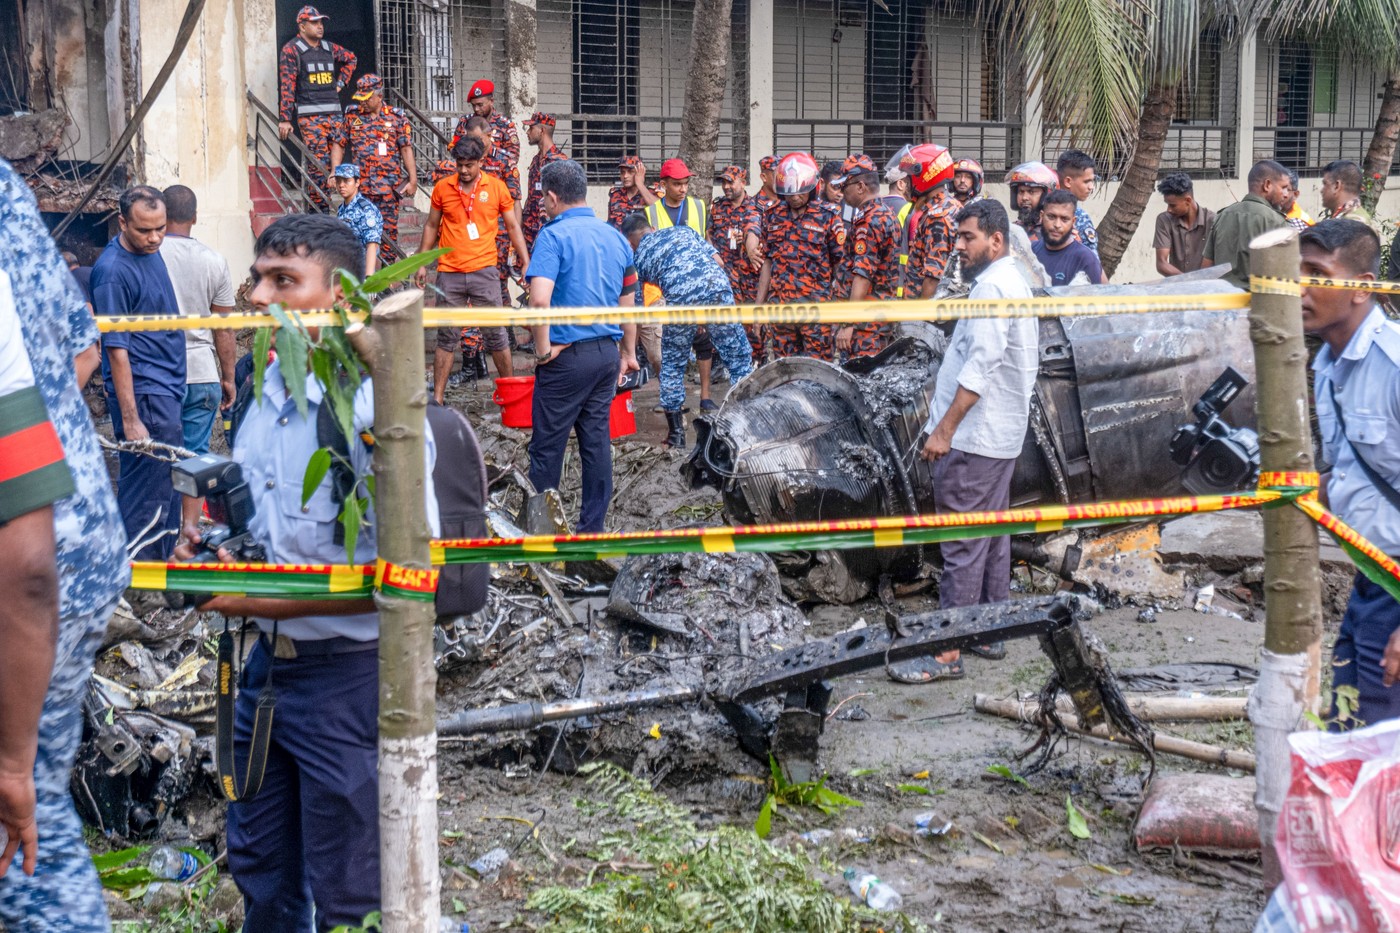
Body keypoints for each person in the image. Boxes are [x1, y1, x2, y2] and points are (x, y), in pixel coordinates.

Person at [174, 214, 439, 929]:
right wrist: (216, 548)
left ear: (343, 295)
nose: (257, 296)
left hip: (345, 681)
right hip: (261, 674)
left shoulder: (378, 411)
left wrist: (253, 600)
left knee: (352, 889)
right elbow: (263, 530)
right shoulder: (264, 388)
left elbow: (410, 576)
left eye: (283, 280)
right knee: (265, 874)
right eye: (257, 276)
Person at [0, 156, 129, 933]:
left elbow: (27, 567)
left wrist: (11, 758)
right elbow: (81, 351)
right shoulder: (8, 194)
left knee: (20, 824)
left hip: (32, 555)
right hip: (74, 529)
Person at [908, 199, 1037, 681]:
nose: (958, 246)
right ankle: (988, 630)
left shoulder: (996, 288)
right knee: (991, 535)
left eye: (967, 237)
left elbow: (980, 369)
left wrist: (943, 432)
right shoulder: (1005, 283)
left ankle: (946, 653)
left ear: (995, 240)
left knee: (962, 540)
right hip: (998, 436)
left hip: (975, 438)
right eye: (958, 237)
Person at [1302, 219, 1400, 723]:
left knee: (1380, 747)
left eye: (1316, 274)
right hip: (1368, 581)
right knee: (1350, 726)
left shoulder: (1395, 366)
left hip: (1397, 593)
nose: (1299, 286)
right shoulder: (1326, 365)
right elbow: (1349, 473)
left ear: (1361, 288)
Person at [525, 159, 640, 532]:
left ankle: (541, 537)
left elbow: (539, 301)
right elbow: (629, 303)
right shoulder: (616, 237)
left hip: (565, 358)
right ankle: (592, 532)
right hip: (606, 355)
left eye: (544, 198)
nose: (543, 205)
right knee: (596, 444)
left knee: (547, 449)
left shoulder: (551, 236)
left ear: (553, 198)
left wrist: (542, 350)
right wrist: (628, 354)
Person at [93, 186, 185, 561]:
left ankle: (159, 568)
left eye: (161, 228)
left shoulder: (153, 252)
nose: (155, 238)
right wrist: (131, 420)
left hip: (166, 387)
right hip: (145, 393)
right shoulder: (112, 272)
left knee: (166, 484)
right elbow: (116, 351)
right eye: (144, 230)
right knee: (146, 490)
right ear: (122, 222)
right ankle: (135, 581)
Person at [621, 215, 754, 446]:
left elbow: (637, 306)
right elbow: (719, 262)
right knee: (738, 357)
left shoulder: (637, 258)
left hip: (681, 299)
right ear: (652, 228)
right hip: (718, 287)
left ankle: (676, 436)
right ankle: (751, 424)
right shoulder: (684, 230)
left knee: (672, 363)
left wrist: (629, 348)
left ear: (630, 242)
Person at [420, 134, 528, 404]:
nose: (464, 170)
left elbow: (513, 226)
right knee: (446, 336)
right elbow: (432, 226)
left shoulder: (496, 188)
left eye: (469, 164)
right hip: (449, 273)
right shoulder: (442, 188)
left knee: (496, 335)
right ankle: (439, 398)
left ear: (481, 161)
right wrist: (422, 262)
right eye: (460, 164)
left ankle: (510, 394)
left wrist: (525, 259)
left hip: (485, 272)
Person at [159, 185, 236, 458]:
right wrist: (229, 378)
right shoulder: (215, 261)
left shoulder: (149, 257)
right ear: (195, 217)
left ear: (162, 213)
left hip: (160, 375)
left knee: (158, 460)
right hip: (203, 374)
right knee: (195, 463)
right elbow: (224, 328)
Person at [754, 152, 845, 361]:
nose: (795, 197)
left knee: (818, 372)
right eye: (789, 193)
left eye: (800, 192)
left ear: (812, 187)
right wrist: (759, 308)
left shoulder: (828, 215)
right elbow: (767, 262)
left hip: (816, 311)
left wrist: (841, 311)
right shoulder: (772, 215)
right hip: (781, 312)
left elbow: (840, 265)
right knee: (785, 371)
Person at [330, 73, 416, 268]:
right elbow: (338, 144)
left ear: (379, 95)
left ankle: (384, 283)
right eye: (360, 99)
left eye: (366, 99)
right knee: (356, 235)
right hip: (360, 192)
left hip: (387, 190)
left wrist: (413, 179)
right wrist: (335, 171)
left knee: (387, 236)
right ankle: (360, 279)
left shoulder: (397, 117)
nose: (363, 103)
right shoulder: (352, 115)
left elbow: (405, 148)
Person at [276, 5, 356, 212]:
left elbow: (351, 59)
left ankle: (339, 207)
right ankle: (318, 210)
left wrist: (340, 84)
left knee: (336, 164)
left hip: (334, 115)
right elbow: (287, 85)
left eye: (321, 22)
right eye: (314, 22)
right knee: (317, 165)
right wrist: (285, 118)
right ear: (302, 26)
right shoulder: (292, 50)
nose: (320, 26)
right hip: (310, 117)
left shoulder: (329, 48)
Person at [831, 154, 901, 358]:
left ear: (861, 187)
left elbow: (862, 275)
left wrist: (849, 323)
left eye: (845, 186)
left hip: (865, 328)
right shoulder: (885, 214)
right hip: (877, 321)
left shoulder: (869, 222)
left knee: (859, 383)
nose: (841, 192)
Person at [460, 115, 524, 308]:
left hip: (499, 237)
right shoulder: (466, 162)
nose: (475, 144)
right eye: (471, 139)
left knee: (497, 284)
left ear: (490, 135)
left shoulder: (504, 162)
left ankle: (505, 333)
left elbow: (515, 203)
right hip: (473, 235)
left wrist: (514, 242)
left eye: (478, 139)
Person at [1200, 159, 1289, 288]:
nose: (1286, 194)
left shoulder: (1222, 216)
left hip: (1223, 303)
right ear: (1267, 185)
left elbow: (1206, 269)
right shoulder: (1277, 222)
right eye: (1284, 187)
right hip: (1258, 304)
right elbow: (1286, 275)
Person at [709, 165, 765, 363]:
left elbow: (753, 231)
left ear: (743, 182)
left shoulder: (754, 208)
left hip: (749, 276)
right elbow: (709, 234)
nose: (726, 186)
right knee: (724, 321)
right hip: (724, 274)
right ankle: (726, 362)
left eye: (730, 182)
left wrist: (750, 249)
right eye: (723, 182)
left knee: (751, 320)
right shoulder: (717, 207)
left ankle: (757, 360)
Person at [901, 143, 959, 300]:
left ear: (924, 176)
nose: (905, 186)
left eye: (908, 180)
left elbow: (933, 278)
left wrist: (919, 320)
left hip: (923, 315)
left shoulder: (937, 218)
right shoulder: (946, 206)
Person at [1032, 190, 1104, 286]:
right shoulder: (1030, 251)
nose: (1057, 225)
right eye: (1051, 217)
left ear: (1073, 221)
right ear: (1042, 216)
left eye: (1064, 219)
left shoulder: (1086, 259)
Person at [452, 80, 519, 178]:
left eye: (480, 105)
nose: (476, 109)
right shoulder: (465, 121)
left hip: (495, 178)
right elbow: (455, 148)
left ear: (491, 101)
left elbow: (513, 156)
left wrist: (492, 154)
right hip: (468, 178)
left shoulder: (505, 125)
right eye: (473, 105)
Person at [1153, 173, 1215, 277]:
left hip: (1207, 288)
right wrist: (1188, 281)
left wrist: (1197, 284)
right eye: (1167, 204)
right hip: (1177, 288)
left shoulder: (1213, 221)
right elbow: (1161, 263)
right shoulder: (1164, 220)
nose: (1168, 209)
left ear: (1188, 200)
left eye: (1172, 205)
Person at [523, 112, 567, 251]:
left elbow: (566, 201)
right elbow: (531, 196)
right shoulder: (536, 161)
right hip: (529, 231)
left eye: (531, 128)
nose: (527, 132)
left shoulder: (560, 162)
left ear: (541, 130)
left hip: (550, 231)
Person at [332, 162, 383, 276]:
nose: (341, 185)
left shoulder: (366, 210)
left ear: (357, 182)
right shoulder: (342, 208)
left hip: (360, 270)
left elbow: (372, 245)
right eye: (338, 181)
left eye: (346, 181)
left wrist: (368, 277)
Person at [644, 158, 709, 234]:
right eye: (677, 184)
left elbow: (707, 240)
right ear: (663, 185)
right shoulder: (651, 212)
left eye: (686, 183)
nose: (683, 189)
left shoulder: (699, 206)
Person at [1055, 149, 1098, 253]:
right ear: (1068, 181)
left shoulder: (1045, 211)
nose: (1091, 187)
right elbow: (1092, 262)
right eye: (1087, 181)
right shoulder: (1080, 217)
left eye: (1092, 181)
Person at [1006, 161, 1058, 243]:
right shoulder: (1011, 230)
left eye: (1031, 192)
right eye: (1021, 192)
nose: (1024, 198)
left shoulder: (1057, 232)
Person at [607, 156, 660, 228]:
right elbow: (609, 223)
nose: (625, 176)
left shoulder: (651, 194)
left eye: (630, 172)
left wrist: (640, 184)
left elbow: (658, 210)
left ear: (640, 172)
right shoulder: (615, 194)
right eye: (622, 172)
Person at [1321, 159, 1374, 226]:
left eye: (1325, 184)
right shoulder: (1352, 217)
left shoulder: (1351, 224)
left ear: (1336, 186)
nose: (1322, 190)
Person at [1283, 168, 1314, 232]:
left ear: (1296, 194)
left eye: (1286, 190)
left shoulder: (1296, 222)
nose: (1282, 193)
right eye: (1279, 188)